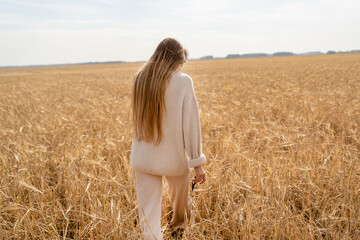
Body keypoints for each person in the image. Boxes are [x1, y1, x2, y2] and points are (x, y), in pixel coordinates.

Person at [130, 37, 207, 239]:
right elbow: (191, 126)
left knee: (148, 217)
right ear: (176, 60)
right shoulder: (183, 81)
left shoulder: (139, 79)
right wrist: (197, 163)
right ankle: (179, 227)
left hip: (144, 159)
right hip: (173, 160)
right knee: (181, 204)